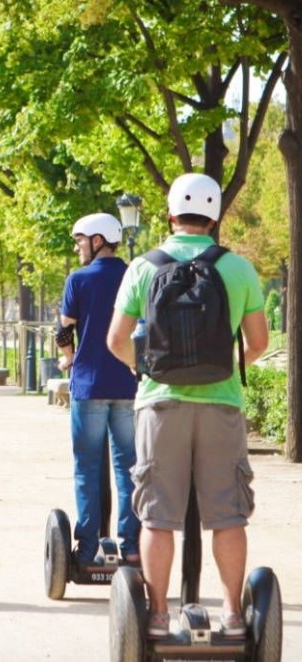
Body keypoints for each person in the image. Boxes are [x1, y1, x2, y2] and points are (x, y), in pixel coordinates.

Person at [107, 173, 268, 639]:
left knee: (157, 516)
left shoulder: (143, 266)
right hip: (222, 404)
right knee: (228, 514)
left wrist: (151, 368)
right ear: (215, 216)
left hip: (159, 406)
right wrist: (222, 367)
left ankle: (157, 617)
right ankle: (234, 617)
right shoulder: (237, 268)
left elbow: (116, 340)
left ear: (170, 214)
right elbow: (256, 343)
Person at [56, 213, 140, 568]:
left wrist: (68, 359)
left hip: (89, 387)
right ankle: (133, 546)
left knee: (87, 468)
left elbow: (63, 332)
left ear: (98, 239)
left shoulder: (78, 279)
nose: (77, 247)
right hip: (127, 385)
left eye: (80, 240)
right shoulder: (134, 275)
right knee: (129, 469)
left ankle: (88, 548)